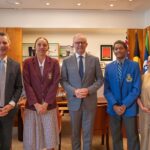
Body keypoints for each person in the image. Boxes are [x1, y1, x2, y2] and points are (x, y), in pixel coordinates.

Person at [61, 33, 103, 150]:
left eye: (82, 42)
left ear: (86, 44)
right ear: (73, 44)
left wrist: (88, 90)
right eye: (77, 42)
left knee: (88, 132)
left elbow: (100, 79)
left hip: (89, 102)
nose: (80, 44)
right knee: (74, 132)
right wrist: (74, 91)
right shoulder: (66, 61)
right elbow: (63, 81)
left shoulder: (94, 60)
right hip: (74, 102)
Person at [23, 37, 60, 150]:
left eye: (44, 45)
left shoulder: (54, 63)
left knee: (50, 139)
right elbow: (27, 84)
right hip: (32, 108)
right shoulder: (28, 62)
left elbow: (55, 83)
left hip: (49, 107)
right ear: (35, 47)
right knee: (31, 141)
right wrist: (36, 104)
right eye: (39, 44)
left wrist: (45, 104)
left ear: (48, 47)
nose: (42, 47)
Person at [104, 40, 141, 150]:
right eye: (116, 49)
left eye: (121, 48)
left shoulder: (134, 66)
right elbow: (107, 89)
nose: (118, 50)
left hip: (129, 108)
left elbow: (136, 88)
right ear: (114, 51)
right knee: (116, 137)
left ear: (126, 50)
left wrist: (124, 104)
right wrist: (115, 105)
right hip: (113, 108)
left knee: (132, 136)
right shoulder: (109, 67)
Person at [0, 32, 22, 150]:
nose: (2, 45)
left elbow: (19, 87)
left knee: (6, 143)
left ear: (9, 45)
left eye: (4, 42)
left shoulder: (15, 65)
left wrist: (11, 104)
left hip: (8, 111)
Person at [137, 55, 150, 150]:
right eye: (148, 61)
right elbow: (136, 95)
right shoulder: (142, 78)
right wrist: (141, 107)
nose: (148, 63)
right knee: (145, 136)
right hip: (145, 111)